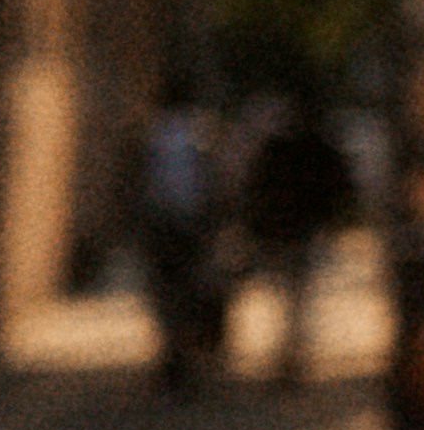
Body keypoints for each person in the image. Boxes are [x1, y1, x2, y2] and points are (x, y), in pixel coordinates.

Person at [233, 91, 356, 384]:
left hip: (286, 230)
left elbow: (256, 188)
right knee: (296, 298)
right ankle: (291, 357)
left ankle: (289, 357)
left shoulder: (279, 149)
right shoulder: (312, 148)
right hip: (297, 230)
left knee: (288, 298)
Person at [127, 94, 228, 396]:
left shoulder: (151, 139)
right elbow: (216, 188)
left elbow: (134, 187)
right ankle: (182, 360)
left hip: (163, 229)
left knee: (167, 297)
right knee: (187, 295)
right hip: (188, 230)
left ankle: (175, 358)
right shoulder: (202, 137)